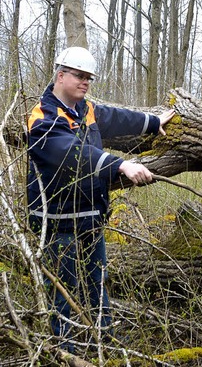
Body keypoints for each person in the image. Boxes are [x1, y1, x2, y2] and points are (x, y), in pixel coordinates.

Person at [26, 46, 174, 353]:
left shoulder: (86, 110)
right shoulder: (42, 118)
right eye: (79, 76)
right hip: (58, 222)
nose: (85, 83)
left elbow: (118, 118)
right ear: (61, 75)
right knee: (63, 290)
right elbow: (70, 153)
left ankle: (105, 337)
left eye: (88, 78)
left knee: (98, 283)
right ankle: (66, 348)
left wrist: (151, 121)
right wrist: (119, 164)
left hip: (91, 215)